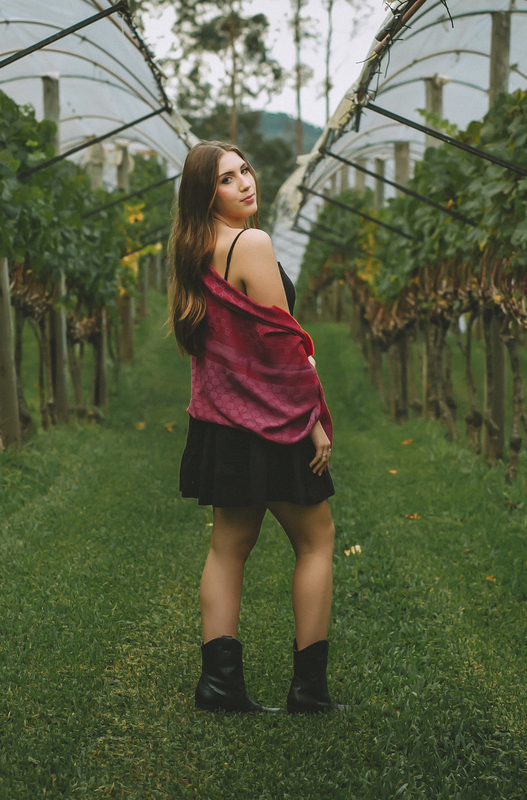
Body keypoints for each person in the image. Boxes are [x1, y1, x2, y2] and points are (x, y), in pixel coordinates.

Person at [170, 141, 342, 714]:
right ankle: (309, 691)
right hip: (273, 423)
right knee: (316, 541)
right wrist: (315, 420)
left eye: (245, 170)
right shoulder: (251, 243)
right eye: (227, 178)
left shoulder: (194, 252)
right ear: (206, 193)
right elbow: (283, 350)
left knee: (228, 548)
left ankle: (219, 686)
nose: (246, 183)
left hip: (222, 425)